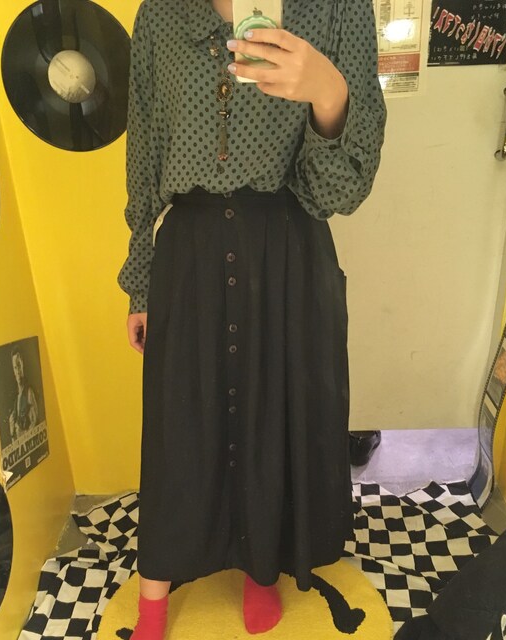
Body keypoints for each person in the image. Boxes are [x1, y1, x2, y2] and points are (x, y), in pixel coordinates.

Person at [117, 0, 387, 637]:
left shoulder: (336, 8)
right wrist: (140, 281)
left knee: (271, 410)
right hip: (188, 249)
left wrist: (328, 94)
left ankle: (261, 569)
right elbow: (143, 149)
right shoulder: (160, 14)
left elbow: (339, 190)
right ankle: (154, 594)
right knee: (178, 422)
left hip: (286, 245)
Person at [8, 347, 38, 441]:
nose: (18, 371)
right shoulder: (16, 399)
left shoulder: (29, 393)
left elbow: (35, 426)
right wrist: (12, 433)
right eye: (15, 367)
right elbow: (15, 441)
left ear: (23, 365)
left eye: (19, 365)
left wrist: (22, 434)